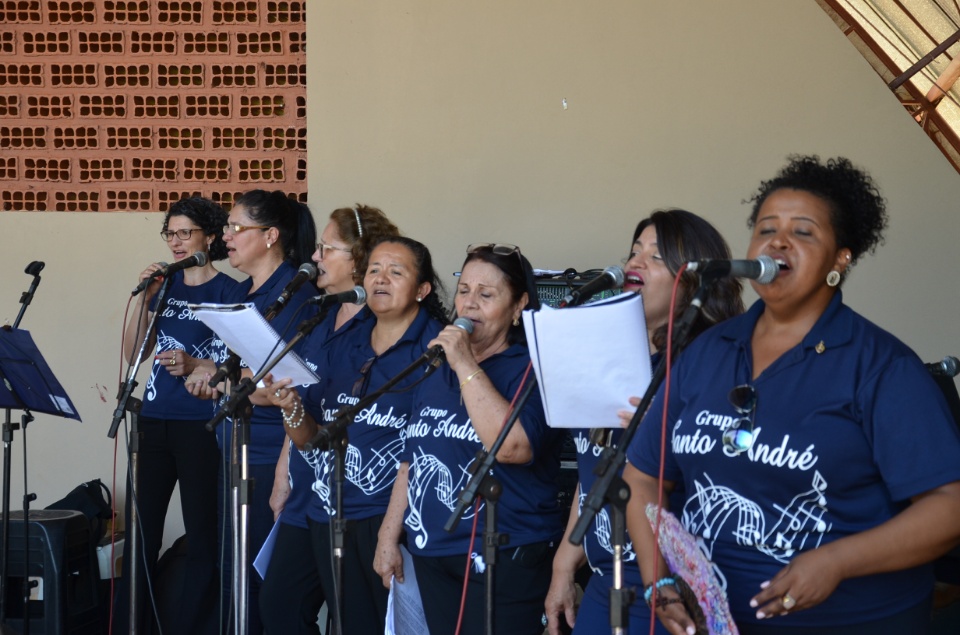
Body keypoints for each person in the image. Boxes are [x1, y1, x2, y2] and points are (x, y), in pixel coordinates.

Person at [623, 156, 960, 635]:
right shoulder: (706, 353)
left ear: (841, 258)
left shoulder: (882, 367)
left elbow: (949, 505)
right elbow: (643, 480)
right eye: (766, 230)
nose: (777, 242)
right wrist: (658, 582)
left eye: (802, 232)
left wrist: (838, 561)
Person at [544, 209, 744, 635]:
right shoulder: (613, 359)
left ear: (692, 280)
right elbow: (592, 467)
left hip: (672, 586)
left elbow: (730, 469)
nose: (634, 262)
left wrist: (664, 426)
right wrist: (565, 563)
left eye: (656, 256)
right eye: (634, 251)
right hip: (606, 579)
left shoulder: (713, 365)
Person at [374, 243, 566, 635]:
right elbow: (413, 457)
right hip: (434, 555)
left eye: (487, 294)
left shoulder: (534, 367)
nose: (470, 304)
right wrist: (389, 533)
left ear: (518, 307)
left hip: (503, 556)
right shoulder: (435, 367)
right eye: (464, 291)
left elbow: (513, 446)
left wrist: (464, 362)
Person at [264, 236, 448, 633]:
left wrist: (389, 534)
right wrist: (292, 407)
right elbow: (308, 439)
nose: (381, 279)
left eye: (396, 272)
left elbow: (423, 452)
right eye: (374, 270)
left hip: (385, 515)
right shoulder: (343, 342)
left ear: (422, 289)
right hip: (326, 509)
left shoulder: (436, 350)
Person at [258, 204, 400, 634]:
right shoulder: (321, 318)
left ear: (358, 258)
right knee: (280, 605)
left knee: (355, 614)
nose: (315, 257)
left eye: (326, 248)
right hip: (308, 490)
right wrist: (284, 468)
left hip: (356, 495)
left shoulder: (382, 326)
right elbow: (302, 398)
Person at [187, 189, 318, 635]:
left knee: (260, 582)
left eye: (236, 228)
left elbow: (286, 381)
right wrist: (210, 375)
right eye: (227, 227)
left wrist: (231, 380)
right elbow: (239, 370)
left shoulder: (294, 293)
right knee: (234, 575)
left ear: (271, 236)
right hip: (234, 447)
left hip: (267, 451)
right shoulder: (245, 291)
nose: (227, 236)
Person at [116, 197, 239, 634]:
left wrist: (194, 364)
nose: (176, 241)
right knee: (141, 534)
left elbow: (235, 365)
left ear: (209, 236)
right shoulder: (165, 288)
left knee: (202, 536)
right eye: (170, 233)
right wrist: (147, 298)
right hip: (154, 419)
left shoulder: (229, 291)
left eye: (186, 232)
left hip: (202, 425)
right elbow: (135, 355)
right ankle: (137, 626)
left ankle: (193, 626)